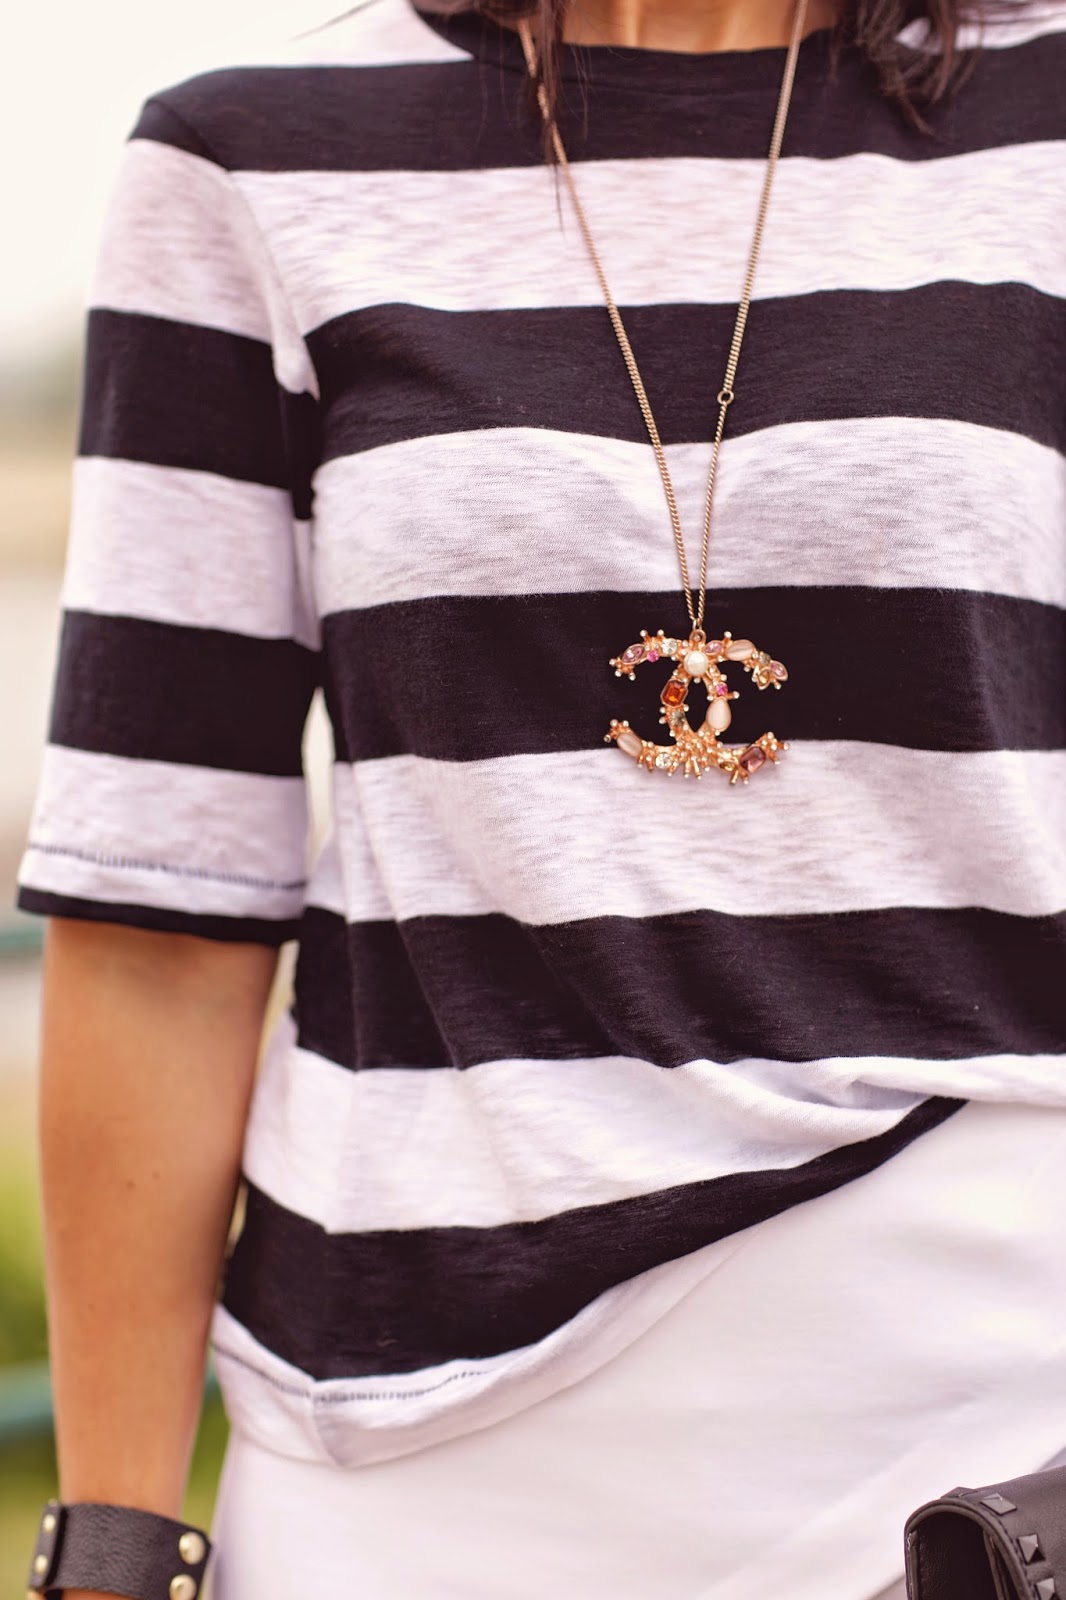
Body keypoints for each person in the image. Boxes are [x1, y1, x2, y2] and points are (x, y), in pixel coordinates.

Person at [15, 0, 1066, 1593]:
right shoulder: (252, 154)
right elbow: (160, 915)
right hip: (412, 1430)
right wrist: (109, 1550)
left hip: (991, 1416)